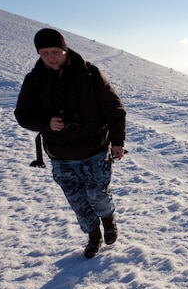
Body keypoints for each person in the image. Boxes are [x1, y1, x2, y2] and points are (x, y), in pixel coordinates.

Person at [15, 28, 126, 258]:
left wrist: (117, 141)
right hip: (61, 154)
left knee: (97, 194)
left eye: (55, 51)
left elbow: (114, 108)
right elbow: (22, 114)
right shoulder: (34, 80)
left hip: (95, 148)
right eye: (44, 52)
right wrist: (46, 123)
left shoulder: (89, 74)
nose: (51, 57)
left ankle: (108, 220)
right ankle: (93, 236)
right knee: (78, 201)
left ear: (65, 50)